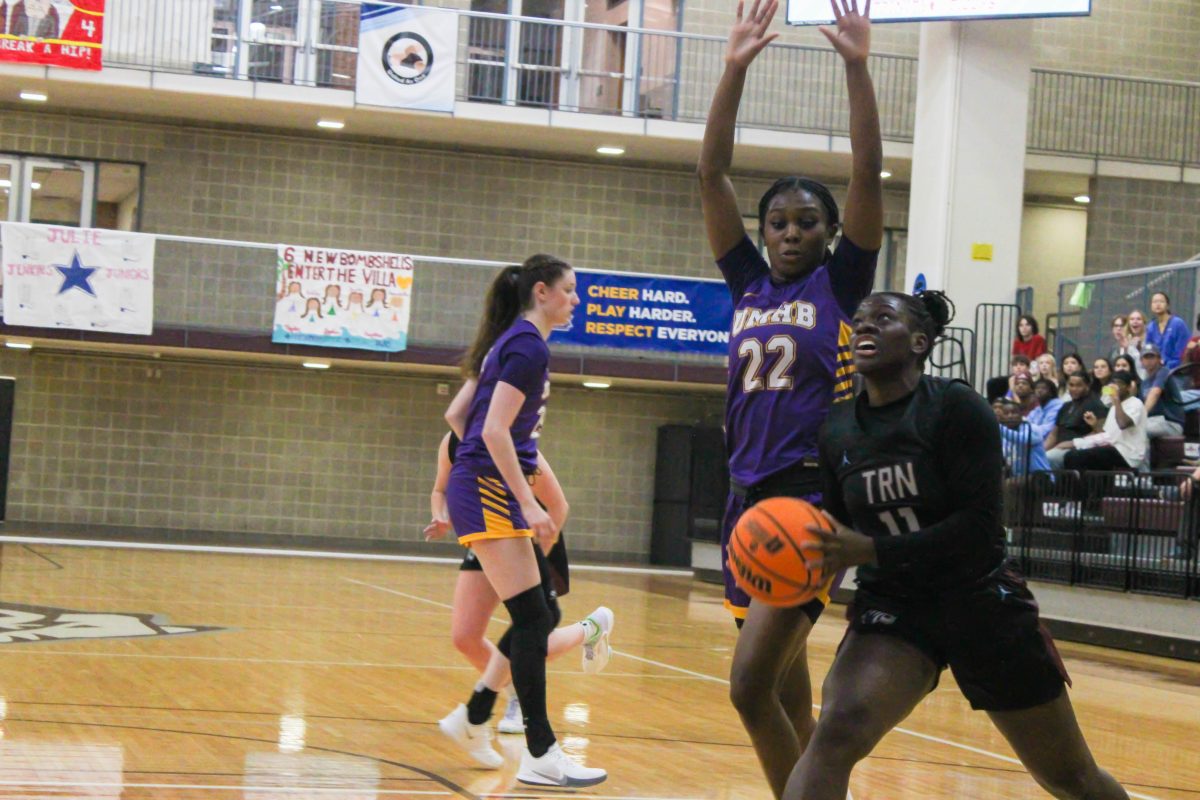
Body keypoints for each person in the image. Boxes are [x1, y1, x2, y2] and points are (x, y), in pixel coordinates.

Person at [783, 289, 1130, 800]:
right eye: (858, 321)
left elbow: (979, 527)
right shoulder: (837, 428)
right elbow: (835, 524)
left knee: (1070, 778)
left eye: (883, 319)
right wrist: (786, 545)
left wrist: (873, 550)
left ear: (920, 341)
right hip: (895, 607)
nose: (864, 328)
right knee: (834, 735)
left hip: (981, 601)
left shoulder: (955, 407)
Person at [696, 0, 882, 795]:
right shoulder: (744, 283)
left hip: (808, 500)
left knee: (747, 688)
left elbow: (868, 174)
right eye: (778, 221)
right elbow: (710, 173)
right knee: (787, 697)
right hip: (744, 498)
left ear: (831, 234)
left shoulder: (839, 284)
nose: (791, 231)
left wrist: (857, 66)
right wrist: (733, 67)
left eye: (808, 221)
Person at [436, 255, 607, 787]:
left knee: (537, 616)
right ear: (541, 292)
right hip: (490, 490)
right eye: (570, 290)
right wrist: (527, 501)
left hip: (484, 487)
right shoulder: (526, 346)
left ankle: (482, 718)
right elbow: (490, 430)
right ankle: (537, 750)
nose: (575, 300)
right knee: (535, 619)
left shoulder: (509, 342)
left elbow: (457, 417)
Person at [428, 427, 613, 741]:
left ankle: (515, 697)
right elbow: (439, 490)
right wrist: (441, 516)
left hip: (528, 540)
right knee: (465, 636)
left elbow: (559, 507)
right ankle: (589, 630)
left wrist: (534, 562)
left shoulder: (517, 447)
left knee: (531, 635)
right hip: (482, 538)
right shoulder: (454, 440)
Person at [1060, 370, 1147, 473]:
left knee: (1075, 457)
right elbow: (1107, 434)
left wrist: (1116, 400)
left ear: (1128, 387)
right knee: (1073, 455)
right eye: (1113, 384)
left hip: (1128, 453)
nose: (1115, 388)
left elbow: (1123, 424)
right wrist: (1095, 425)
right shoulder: (1114, 408)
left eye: (1119, 384)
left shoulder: (1135, 403)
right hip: (1112, 447)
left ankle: (1081, 488)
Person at [1046, 373, 1108, 469]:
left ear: (1087, 386)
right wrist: (1041, 451)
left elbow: (1101, 433)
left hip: (1078, 449)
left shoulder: (1096, 405)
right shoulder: (1065, 406)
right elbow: (1053, 434)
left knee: (1049, 457)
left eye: (1079, 385)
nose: (1074, 389)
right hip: (1058, 447)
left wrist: (1072, 443)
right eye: (1071, 385)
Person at [1138, 343, 1184, 439]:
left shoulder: (1164, 372)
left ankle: (1142, 455)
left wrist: (1141, 417)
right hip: (1152, 421)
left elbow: (1155, 393)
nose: (1149, 360)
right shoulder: (1144, 383)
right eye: (1146, 357)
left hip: (1171, 424)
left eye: (1152, 357)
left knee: (1139, 430)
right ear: (1141, 361)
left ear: (1159, 359)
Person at [996, 398, 1051, 477]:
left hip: (1041, 476)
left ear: (1021, 414)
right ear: (1002, 417)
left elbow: (1023, 439)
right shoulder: (1004, 436)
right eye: (1006, 413)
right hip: (1018, 476)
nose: (1010, 416)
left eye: (1014, 413)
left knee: (1009, 485)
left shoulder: (1032, 428)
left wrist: (998, 427)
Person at [1146, 291, 1189, 369]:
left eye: (1161, 301)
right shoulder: (1150, 327)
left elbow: (1182, 352)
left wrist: (1167, 366)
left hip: (1176, 370)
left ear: (1167, 305)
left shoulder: (1178, 324)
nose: (1158, 304)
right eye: (1155, 302)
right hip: (1156, 371)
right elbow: (1148, 350)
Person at [1026, 378, 1063, 443]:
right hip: (1033, 440)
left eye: (1044, 388)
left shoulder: (1058, 407)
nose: (1039, 391)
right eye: (1037, 388)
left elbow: (1047, 430)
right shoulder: (1037, 409)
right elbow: (1025, 424)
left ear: (1051, 392)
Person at [1125, 310, 1149, 378]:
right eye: (1132, 319)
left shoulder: (1149, 340)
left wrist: (1139, 347)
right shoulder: (1126, 342)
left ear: (1144, 323)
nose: (1135, 321)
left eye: (1138, 319)